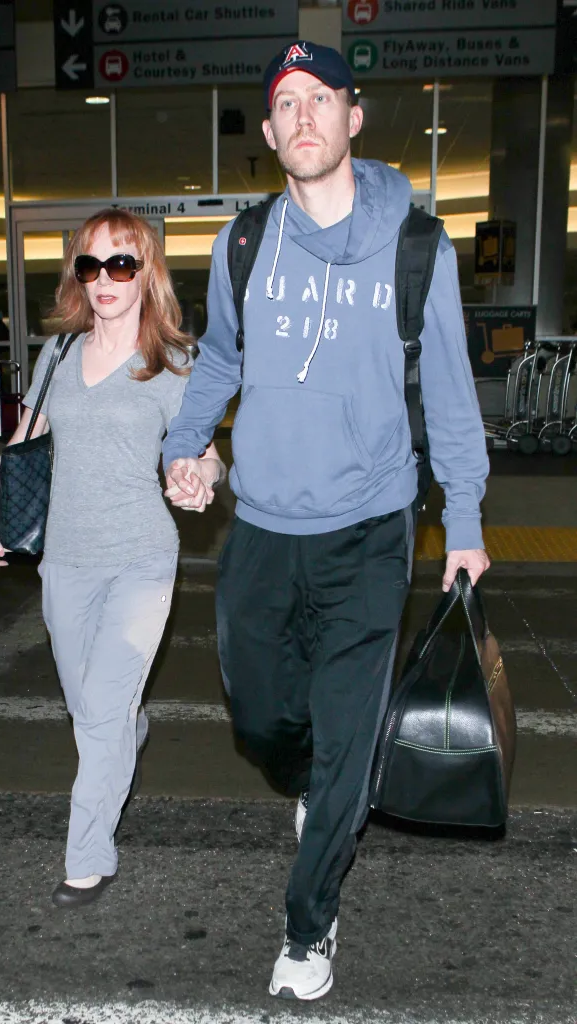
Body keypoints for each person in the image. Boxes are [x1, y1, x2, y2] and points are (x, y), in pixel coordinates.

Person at [163, 41, 490, 1001]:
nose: (303, 115)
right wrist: (187, 445)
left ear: (354, 118)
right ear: (268, 135)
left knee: (349, 735)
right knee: (263, 721)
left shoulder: (416, 245)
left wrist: (461, 520)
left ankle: (308, 931)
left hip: (371, 529)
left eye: (321, 98)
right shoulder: (243, 244)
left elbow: (452, 395)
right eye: (285, 104)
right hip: (262, 527)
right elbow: (219, 359)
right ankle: (311, 782)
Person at [0, 209, 224, 908]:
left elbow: (206, 454)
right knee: (96, 710)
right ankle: (130, 731)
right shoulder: (58, 354)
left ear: (147, 272)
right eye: (91, 264)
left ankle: (87, 855)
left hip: (141, 558)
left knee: (100, 712)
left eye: (121, 263)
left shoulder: (174, 362)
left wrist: (199, 479)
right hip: (66, 560)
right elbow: (28, 435)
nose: (105, 278)